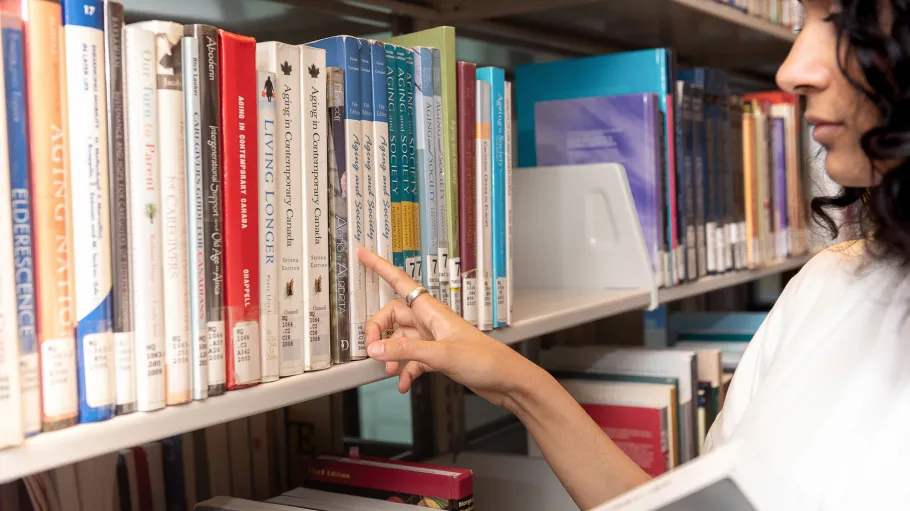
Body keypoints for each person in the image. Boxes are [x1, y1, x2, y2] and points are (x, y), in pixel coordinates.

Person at [358, 0, 910, 507]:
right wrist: (516, 382)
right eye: (803, 20)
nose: (791, 70)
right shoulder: (830, 283)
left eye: (840, 20)